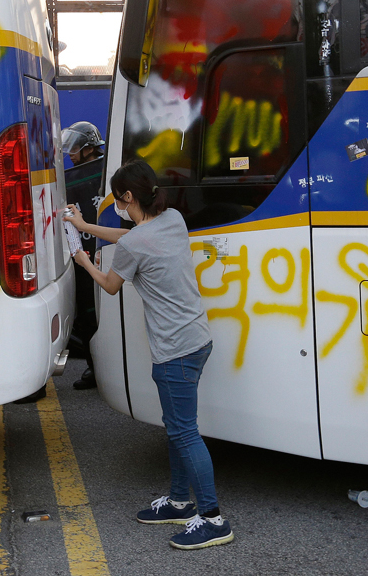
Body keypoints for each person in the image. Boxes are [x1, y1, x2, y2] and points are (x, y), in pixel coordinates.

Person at [65, 159, 234, 550]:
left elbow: (110, 284)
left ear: (128, 196)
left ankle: (212, 519)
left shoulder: (134, 243)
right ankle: (178, 501)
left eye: (119, 201)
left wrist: (84, 259)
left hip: (174, 352)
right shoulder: (173, 218)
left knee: (185, 433)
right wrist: (86, 227)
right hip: (197, 340)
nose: (118, 208)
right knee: (177, 427)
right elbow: (127, 237)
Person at [61, 121, 106, 390]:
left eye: (75, 149)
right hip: (82, 256)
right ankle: (94, 367)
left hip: (103, 251)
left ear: (89, 148)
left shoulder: (107, 171)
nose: (71, 154)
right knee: (87, 316)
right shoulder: (70, 178)